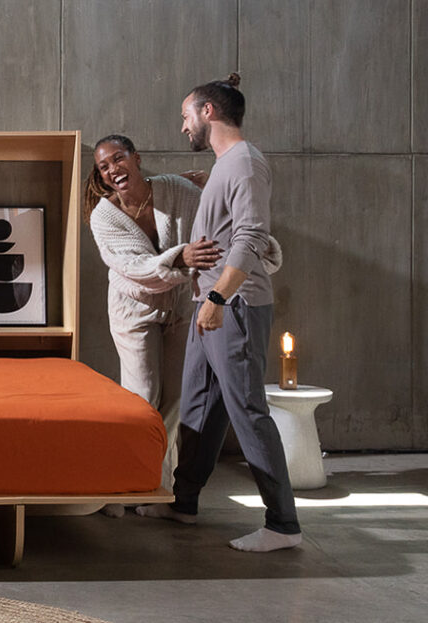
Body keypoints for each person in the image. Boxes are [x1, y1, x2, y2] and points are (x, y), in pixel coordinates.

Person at [136, 73, 302, 553]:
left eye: (186, 115)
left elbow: (251, 236)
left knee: (248, 411)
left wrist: (217, 299)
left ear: (208, 112)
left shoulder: (246, 164)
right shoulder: (227, 166)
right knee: (198, 409)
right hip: (211, 306)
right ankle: (183, 502)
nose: (182, 125)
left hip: (236, 306)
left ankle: (283, 525)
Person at [82, 135, 221, 517]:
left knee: (176, 397)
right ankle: (121, 484)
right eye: (105, 166)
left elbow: (212, 224)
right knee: (142, 397)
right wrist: (183, 257)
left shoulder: (175, 189)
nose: (113, 170)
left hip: (178, 306)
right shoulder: (103, 216)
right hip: (133, 311)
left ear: (136, 158)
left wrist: (215, 185)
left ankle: (151, 486)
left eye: (118, 159)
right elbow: (136, 268)